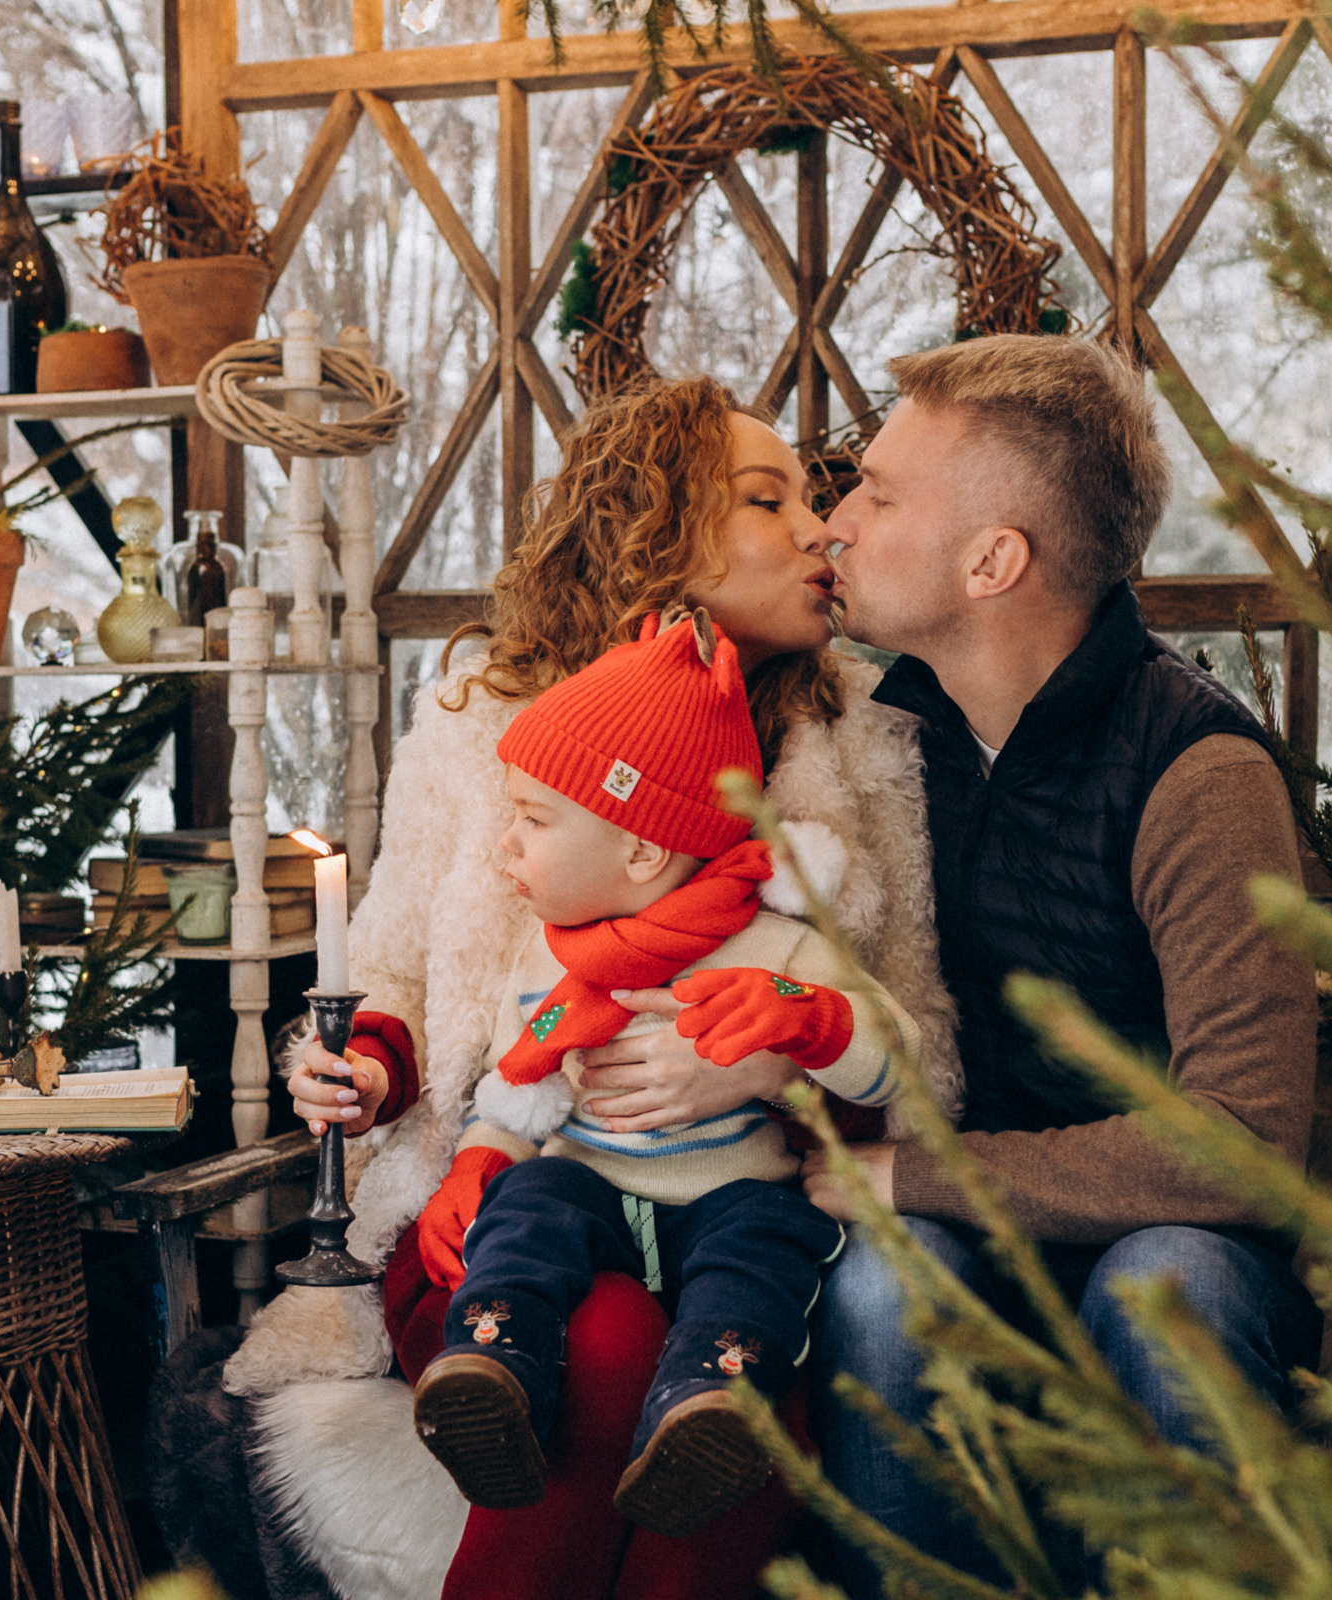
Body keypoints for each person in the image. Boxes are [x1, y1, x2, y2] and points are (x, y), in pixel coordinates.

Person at [213, 376, 961, 1600]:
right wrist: (368, 1067)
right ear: (660, 533)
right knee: (604, 1342)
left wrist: (771, 1061)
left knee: (743, 1397)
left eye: (815, 499)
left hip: (745, 1222)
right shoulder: (480, 729)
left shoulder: (863, 744)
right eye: (767, 500)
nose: (822, 529)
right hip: (508, 1209)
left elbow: (918, 1043)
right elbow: (394, 968)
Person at [807, 335, 1324, 1592]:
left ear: (993, 561)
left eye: (878, 494)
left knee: (1165, 1287)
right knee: (882, 1284)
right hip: (968, 1238)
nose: (835, 524)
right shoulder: (880, 742)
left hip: (1180, 1239)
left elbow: (1241, 1141)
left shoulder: (1200, 772)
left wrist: (914, 1171)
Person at [408, 612, 919, 1540]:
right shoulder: (543, 953)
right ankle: (494, 1369)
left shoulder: (778, 945)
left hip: (729, 1194)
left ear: (642, 849)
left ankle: (710, 1406)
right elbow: (517, 1092)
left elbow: (899, 1059)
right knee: (530, 1202)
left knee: (766, 1243)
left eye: (533, 821)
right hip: (592, 1189)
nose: (505, 846)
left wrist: (810, 1018)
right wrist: (480, 1156)